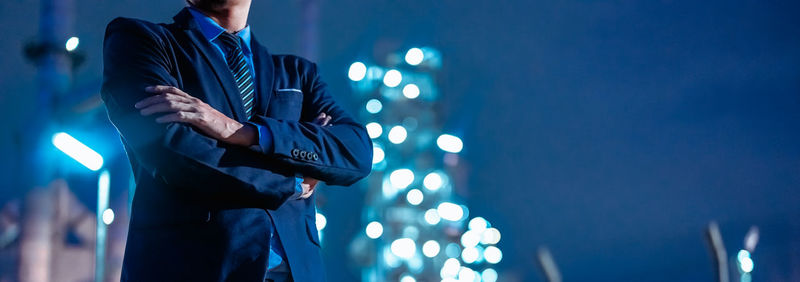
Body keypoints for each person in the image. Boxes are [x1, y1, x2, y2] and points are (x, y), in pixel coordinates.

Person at [100, 0, 372, 280]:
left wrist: (241, 131)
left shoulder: (298, 74)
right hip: (193, 268)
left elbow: (356, 152)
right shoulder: (142, 41)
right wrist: (293, 180)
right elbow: (174, 150)